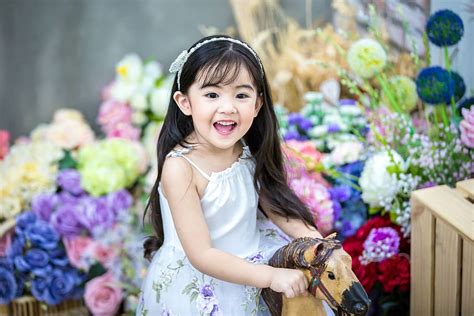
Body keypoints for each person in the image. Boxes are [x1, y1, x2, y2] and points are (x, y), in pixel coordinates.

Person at [137, 35, 333, 315]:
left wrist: (316, 244)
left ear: (257, 105)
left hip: (254, 257)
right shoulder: (180, 168)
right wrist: (271, 277)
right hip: (204, 284)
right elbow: (202, 255)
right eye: (212, 94)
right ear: (184, 102)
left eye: (241, 95)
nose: (228, 107)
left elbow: (274, 204)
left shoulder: (246, 148)